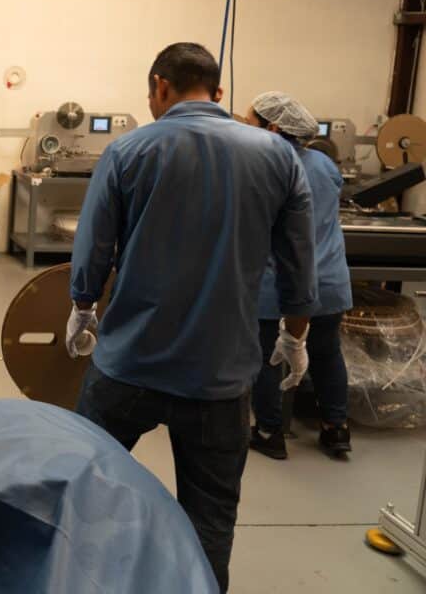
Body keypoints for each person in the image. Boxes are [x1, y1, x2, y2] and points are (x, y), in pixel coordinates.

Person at [66, 43, 317, 592]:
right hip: (220, 379)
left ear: (160, 86)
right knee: (210, 521)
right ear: (218, 92)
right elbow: (300, 264)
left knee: (85, 492)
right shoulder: (279, 157)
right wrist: (295, 337)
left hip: (129, 364)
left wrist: (83, 307)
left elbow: (94, 246)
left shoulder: (129, 150)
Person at [246, 92, 353, 460]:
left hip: (280, 284)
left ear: (273, 128)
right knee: (326, 352)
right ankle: (336, 429)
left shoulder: (265, 166)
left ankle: (269, 431)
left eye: (251, 123)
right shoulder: (325, 164)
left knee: (268, 357)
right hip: (328, 280)